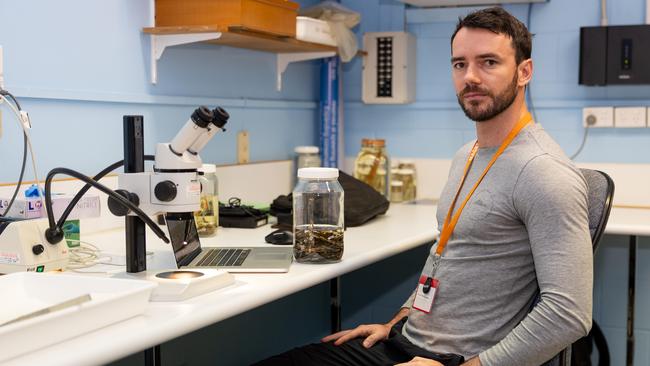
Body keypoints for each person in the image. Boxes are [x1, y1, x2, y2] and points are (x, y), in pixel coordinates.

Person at [253, 7, 592, 366]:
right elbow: (450, 258)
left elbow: (568, 313)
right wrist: (399, 321)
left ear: (525, 72)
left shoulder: (544, 172)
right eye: (459, 64)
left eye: (489, 62)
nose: (470, 77)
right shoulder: (469, 154)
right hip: (406, 342)